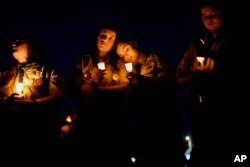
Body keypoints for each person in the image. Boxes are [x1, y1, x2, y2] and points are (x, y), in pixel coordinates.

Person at [176, 1, 232, 166]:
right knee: (203, 149)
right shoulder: (195, 46)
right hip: (198, 108)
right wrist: (194, 74)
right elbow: (179, 78)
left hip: (226, 105)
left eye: (213, 14)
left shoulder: (235, 41)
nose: (209, 19)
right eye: (204, 16)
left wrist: (217, 68)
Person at [116, 35, 184, 167]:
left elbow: (170, 82)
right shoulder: (127, 69)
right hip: (142, 123)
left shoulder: (154, 58)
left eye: (126, 49)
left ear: (134, 44)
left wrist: (142, 80)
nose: (126, 55)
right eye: (121, 55)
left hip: (164, 119)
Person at [68, 23, 128, 166]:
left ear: (114, 43)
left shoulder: (119, 63)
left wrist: (100, 89)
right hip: (87, 117)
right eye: (103, 35)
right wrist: (92, 83)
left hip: (113, 118)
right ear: (96, 36)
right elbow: (75, 88)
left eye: (110, 38)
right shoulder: (82, 61)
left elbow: (125, 85)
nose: (105, 40)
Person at [0, 32, 67, 160]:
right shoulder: (4, 74)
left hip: (39, 130)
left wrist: (35, 103)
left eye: (19, 40)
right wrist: (5, 101)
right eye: (14, 41)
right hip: (10, 129)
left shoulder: (47, 71)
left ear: (31, 46)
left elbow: (60, 95)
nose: (13, 43)